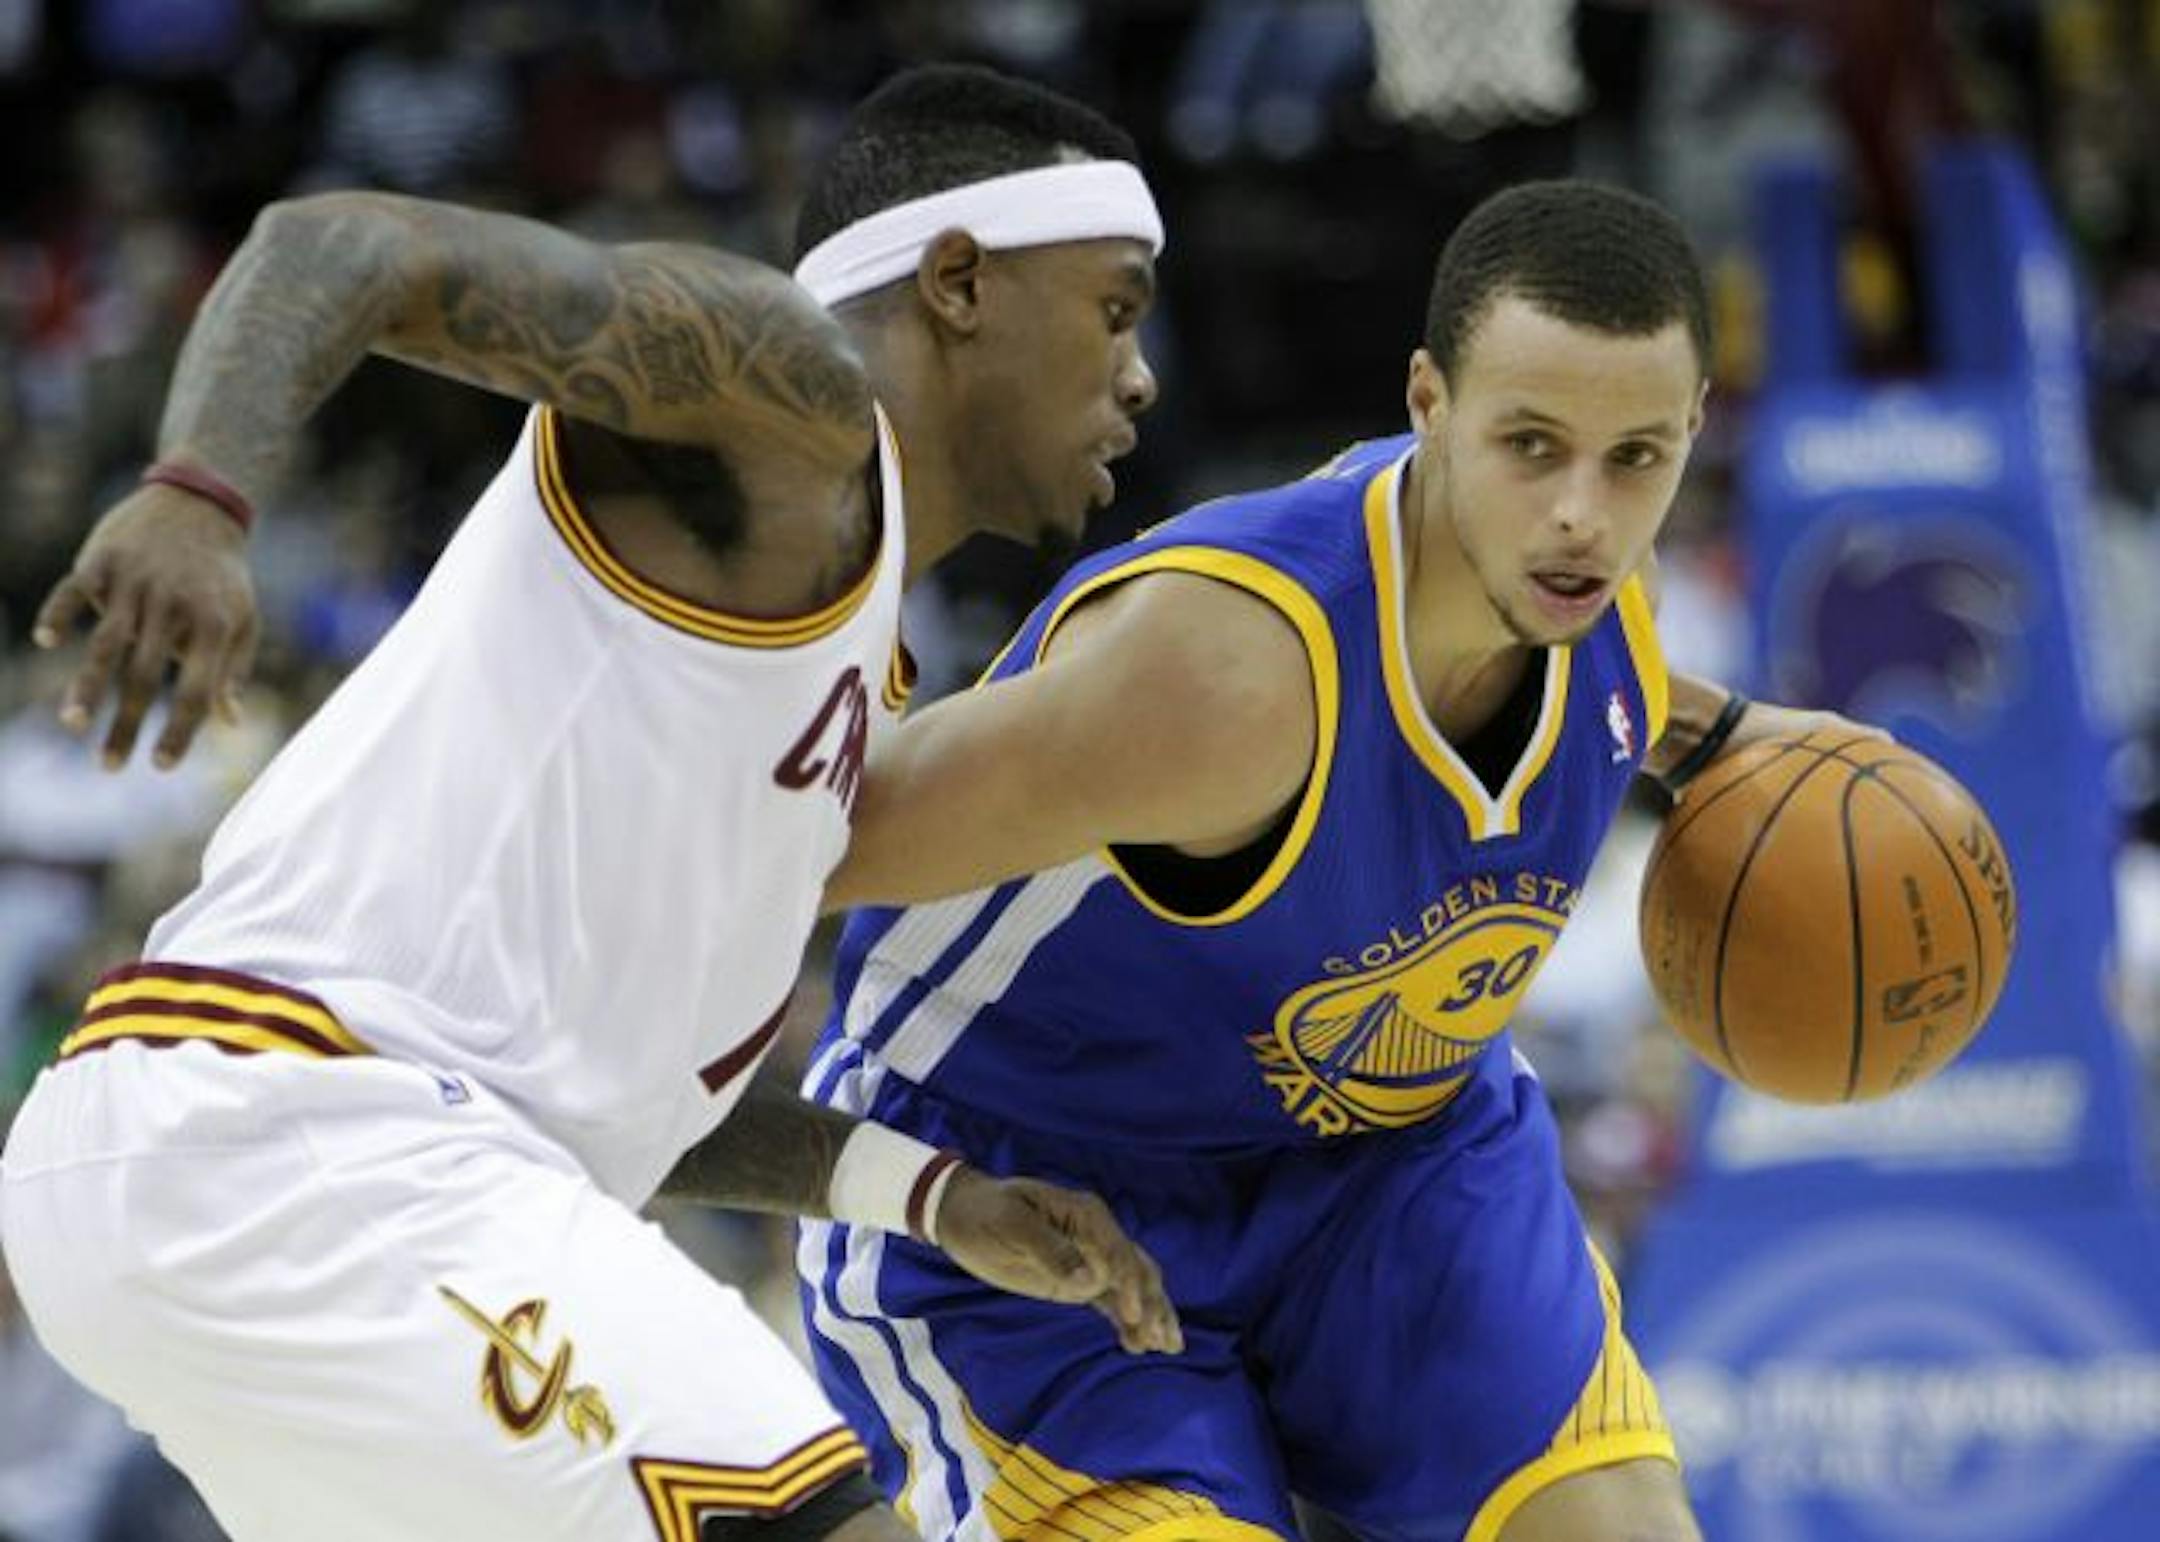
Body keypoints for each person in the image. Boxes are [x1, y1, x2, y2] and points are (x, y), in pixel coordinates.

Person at [0, 64, 1182, 1542]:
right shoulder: (786, 401)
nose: (1141, 378)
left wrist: (930, 1197)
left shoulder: (849, 671)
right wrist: (199, 495)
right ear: (957, 282)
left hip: (277, 1170)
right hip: (292, 1124)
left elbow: (624, 1099)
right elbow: (341, 244)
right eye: (1117, 310)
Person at [717, 181, 1874, 1541]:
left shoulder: (1610, 604)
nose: (1582, 513)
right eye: (1531, 445)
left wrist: (1730, 731)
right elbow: (787, 847)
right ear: (1428, 403)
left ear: (1693, 433)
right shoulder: (1220, 677)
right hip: (1049, 1195)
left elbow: (1589, 680)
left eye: (1637, 457)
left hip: (1394, 1165)